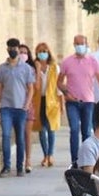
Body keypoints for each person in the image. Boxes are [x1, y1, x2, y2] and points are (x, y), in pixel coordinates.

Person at [58, 34, 99, 167]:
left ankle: (86, 161)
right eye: (77, 43)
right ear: (74, 45)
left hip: (88, 101)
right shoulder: (67, 62)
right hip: (72, 102)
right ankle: (74, 161)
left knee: (86, 131)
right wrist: (66, 93)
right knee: (74, 129)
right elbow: (59, 82)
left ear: (86, 44)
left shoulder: (93, 61)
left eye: (82, 43)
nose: (80, 46)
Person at [0, 37, 35, 177]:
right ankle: (6, 166)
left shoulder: (26, 68)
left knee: (20, 138)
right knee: (6, 136)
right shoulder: (2, 68)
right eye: (10, 48)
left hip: (20, 108)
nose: (13, 51)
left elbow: (31, 88)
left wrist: (26, 105)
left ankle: (19, 167)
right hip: (6, 107)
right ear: (7, 49)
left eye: (15, 48)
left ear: (18, 49)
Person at [30, 41, 61, 169]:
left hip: (52, 102)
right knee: (41, 129)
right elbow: (36, 86)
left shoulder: (54, 67)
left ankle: (50, 155)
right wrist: (37, 70)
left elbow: (58, 86)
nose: (42, 54)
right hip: (38, 101)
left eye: (45, 51)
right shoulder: (33, 68)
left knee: (50, 128)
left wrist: (62, 103)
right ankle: (45, 155)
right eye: (40, 51)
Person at [17, 43, 36, 172]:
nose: (23, 54)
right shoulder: (12, 68)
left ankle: (28, 160)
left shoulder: (31, 69)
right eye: (20, 52)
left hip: (28, 104)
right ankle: (20, 160)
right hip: (16, 105)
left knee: (27, 134)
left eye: (25, 52)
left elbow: (34, 87)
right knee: (19, 135)